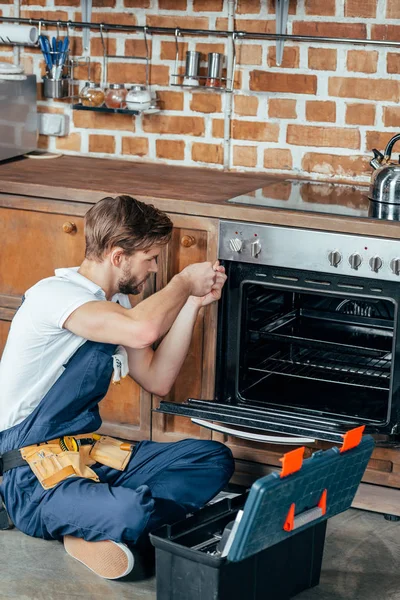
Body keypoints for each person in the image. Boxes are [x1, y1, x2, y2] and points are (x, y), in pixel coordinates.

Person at [0, 195, 234, 580]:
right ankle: (105, 520)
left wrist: (193, 303)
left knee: (212, 457)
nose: (155, 269)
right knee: (130, 510)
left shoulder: (118, 304)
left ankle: (94, 526)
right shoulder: (55, 296)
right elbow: (142, 329)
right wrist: (182, 282)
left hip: (87, 454)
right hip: (31, 476)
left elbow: (157, 380)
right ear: (117, 255)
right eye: (151, 258)